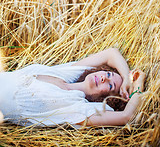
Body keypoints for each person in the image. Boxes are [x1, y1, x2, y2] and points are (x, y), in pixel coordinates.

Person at [0, 48, 145, 127]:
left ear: (107, 100)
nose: (104, 78)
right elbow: (111, 53)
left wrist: (138, 86)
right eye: (107, 73)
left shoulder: (77, 108)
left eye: (110, 85)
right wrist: (127, 78)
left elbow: (126, 116)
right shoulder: (69, 73)